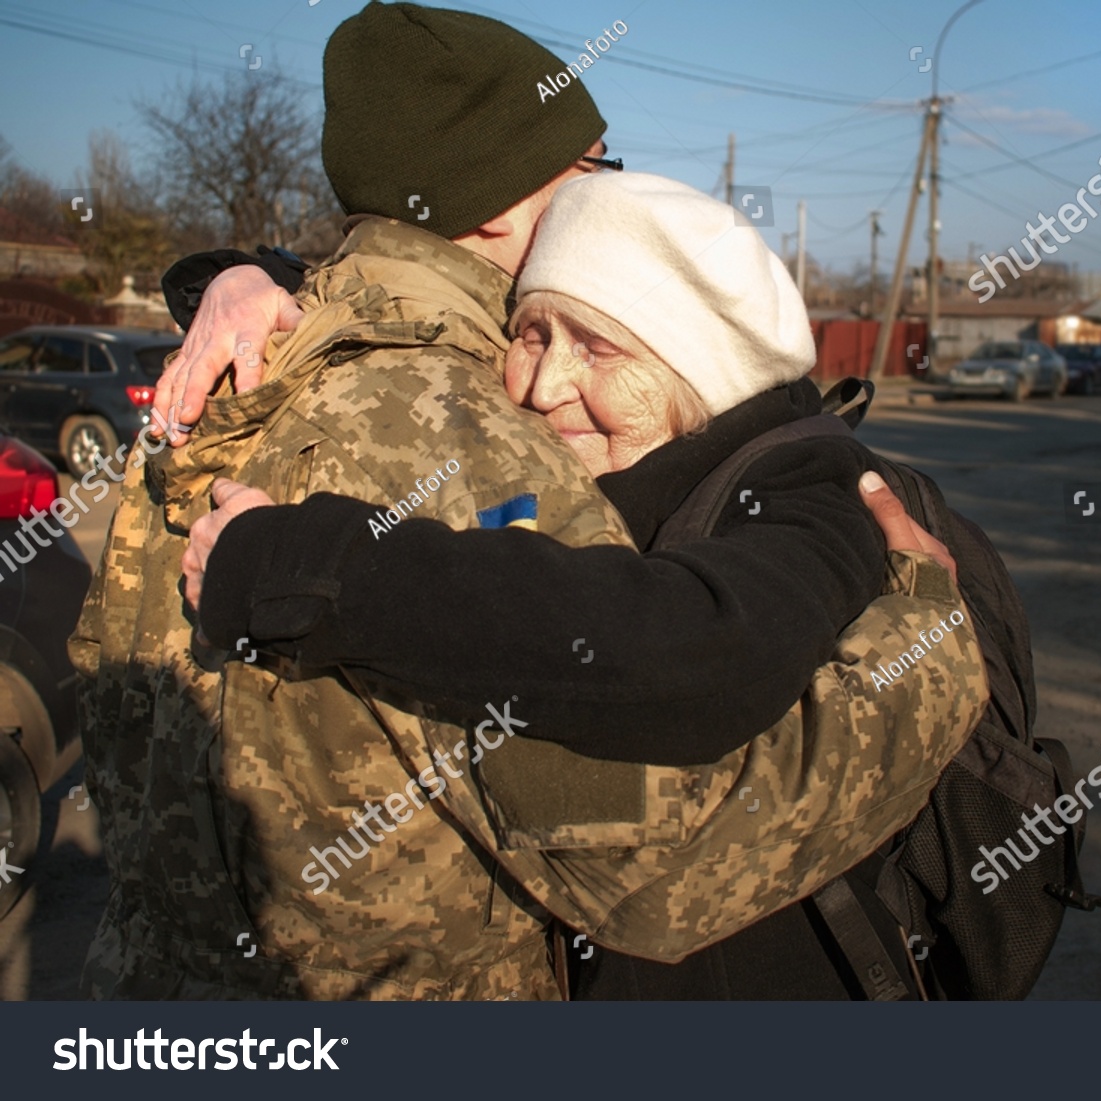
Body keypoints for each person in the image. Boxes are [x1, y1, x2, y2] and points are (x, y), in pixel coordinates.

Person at [70, 2, 985, 1001]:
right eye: (594, 166)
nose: (611, 189)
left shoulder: (219, 381)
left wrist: (236, 271)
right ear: (497, 199)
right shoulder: (465, 435)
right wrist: (926, 656)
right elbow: (667, 864)